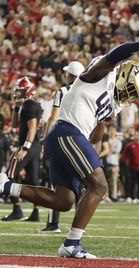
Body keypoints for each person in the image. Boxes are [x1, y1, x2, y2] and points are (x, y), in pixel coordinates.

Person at [0, 22, 139, 258]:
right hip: (66, 132)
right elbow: (113, 56)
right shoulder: (98, 75)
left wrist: (91, 157)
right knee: (100, 187)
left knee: (64, 200)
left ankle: (6, 186)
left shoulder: (114, 104)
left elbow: (98, 133)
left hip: (67, 139)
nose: (129, 96)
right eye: (130, 89)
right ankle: (71, 244)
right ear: (122, 76)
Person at [39, 61, 84, 234]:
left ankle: (53, 223)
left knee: (56, 181)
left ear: (70, 75)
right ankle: (79, 226)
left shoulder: (63, 91)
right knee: (80, 183)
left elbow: (53, 117)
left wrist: (45, 139)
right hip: (80, 137)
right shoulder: (85, 90)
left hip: (61, 137)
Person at [1, 76, 42, 222]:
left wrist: (25, 148)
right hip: (34, 146)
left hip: (29, 145)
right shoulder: (25, 105)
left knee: (8, 175)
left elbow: (32, 129)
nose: (17, 93)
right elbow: (13, 124)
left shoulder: (30, 105)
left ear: (29, 91)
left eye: (21, 91)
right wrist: (16, 107)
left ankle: (17, 209)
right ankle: (35, 212)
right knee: (33, 181)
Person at [121, 130, 139, 203]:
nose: (137, 136)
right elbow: (124, 155)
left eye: (138, 135)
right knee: (131, 182)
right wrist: (125, 163)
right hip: (132, 167)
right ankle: (131, 197)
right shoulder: (130, 145)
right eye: (136, 135)